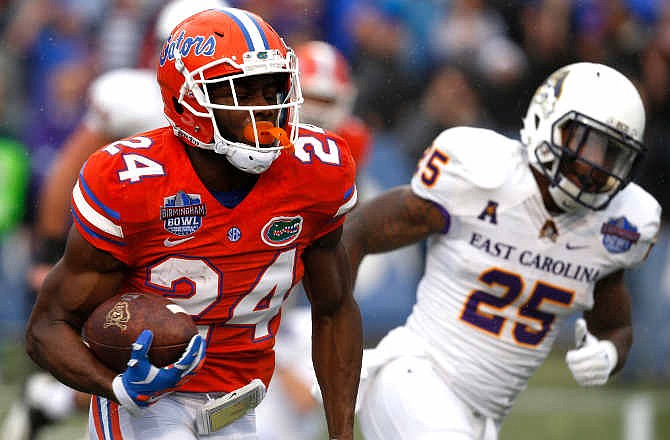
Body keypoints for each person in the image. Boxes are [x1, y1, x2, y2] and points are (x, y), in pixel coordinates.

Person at [24, 7, 362, 440]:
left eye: (273, 89)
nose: (266, 109)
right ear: (189, 101)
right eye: (242, 93)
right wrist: (118, 388)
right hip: (147, 408)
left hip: (240, 402)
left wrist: (341, 433)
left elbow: (334, 309)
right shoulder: (129, 181)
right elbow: (46, 327)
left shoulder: (318, 169)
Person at [343, 62, 661, 439]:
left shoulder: (617, 227)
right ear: (548, 119)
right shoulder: (484, 175)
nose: (595, 166)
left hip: (483, 419)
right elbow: (357, 231)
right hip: (415, 378)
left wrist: (608, 353)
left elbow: (614, 326)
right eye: (585, 142)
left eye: (612, 154)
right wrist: (332, 326)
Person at [1, 2, 230, 439]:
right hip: (139, 252)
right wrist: (48, 255)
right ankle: (54, 399)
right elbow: (65, 173)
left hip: (212, 247)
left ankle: (51, 400)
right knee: (144, 351)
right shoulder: (130, 97)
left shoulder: (246, 110)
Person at [254, 40, 371, 440]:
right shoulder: (257, 138)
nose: (319, 112)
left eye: (328, 99)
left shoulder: (349, 143)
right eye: (313, 98)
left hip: (304, 257)